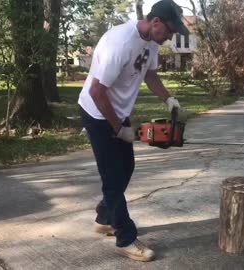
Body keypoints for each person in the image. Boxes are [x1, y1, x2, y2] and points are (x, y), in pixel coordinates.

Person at [78, 0, 189, 262]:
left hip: (118, 113)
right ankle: (125, 238)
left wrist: (168, 99)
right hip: (97, 113)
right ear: (156, 22)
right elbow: (96, 92)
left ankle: (105, 216)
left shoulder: (151, 42)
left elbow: (150, 75)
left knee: (126, 167)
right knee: (113, 178)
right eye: (170, 31)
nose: (170, 37)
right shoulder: (119, 43)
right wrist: (118, 128)